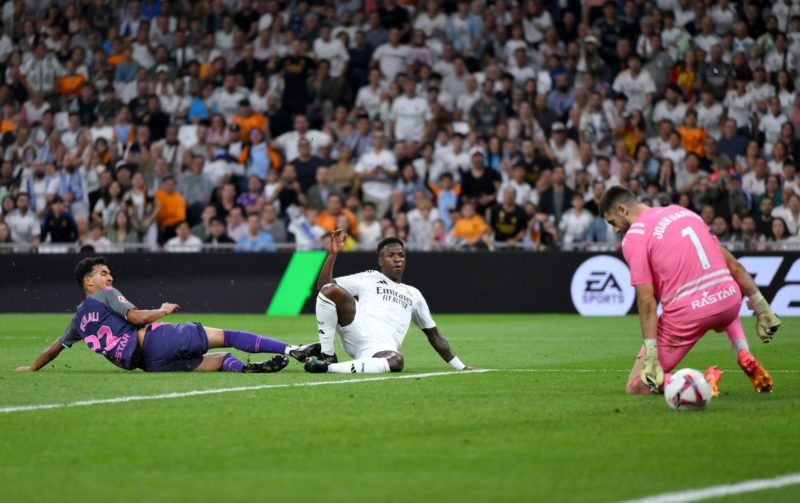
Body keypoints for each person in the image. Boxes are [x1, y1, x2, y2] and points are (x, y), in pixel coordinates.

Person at [599, 186, 780, 396]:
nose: (615, 229)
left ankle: (701, 383)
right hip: (729, 302)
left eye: (612, 222)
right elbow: (733, 266)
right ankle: (742, 352)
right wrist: (761, 305)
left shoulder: (635, 236)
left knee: (638, 384)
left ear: (622, 209)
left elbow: (647, 300)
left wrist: (651, 352)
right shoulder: (683, 212)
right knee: (720, 293)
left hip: (689, 314)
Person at [15, 256, 307, 373]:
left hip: (150, 364)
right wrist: (162, 310)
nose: (110, 277)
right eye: (103, 273)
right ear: (87, 282)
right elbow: (137, 318)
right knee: (226, 336)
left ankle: (247, 369)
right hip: (155, 342)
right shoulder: (105, 295)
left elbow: (54, 349)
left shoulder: (78, 319)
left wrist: (32, 368)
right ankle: (292, 349)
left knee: (219, 363)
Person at [292, 231, 475, 374]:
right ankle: (328, 355)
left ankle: (326, 368)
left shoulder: (414, 294)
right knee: (330, 290)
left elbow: (433, 334)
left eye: (401, 255)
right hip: (358, 326)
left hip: (381, 348)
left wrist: (461, 366)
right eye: (391, 255)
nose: (397, 259)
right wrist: (332, 254)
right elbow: (323, 287)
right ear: (380, 260)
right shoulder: (370, 277)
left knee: (397, 362)